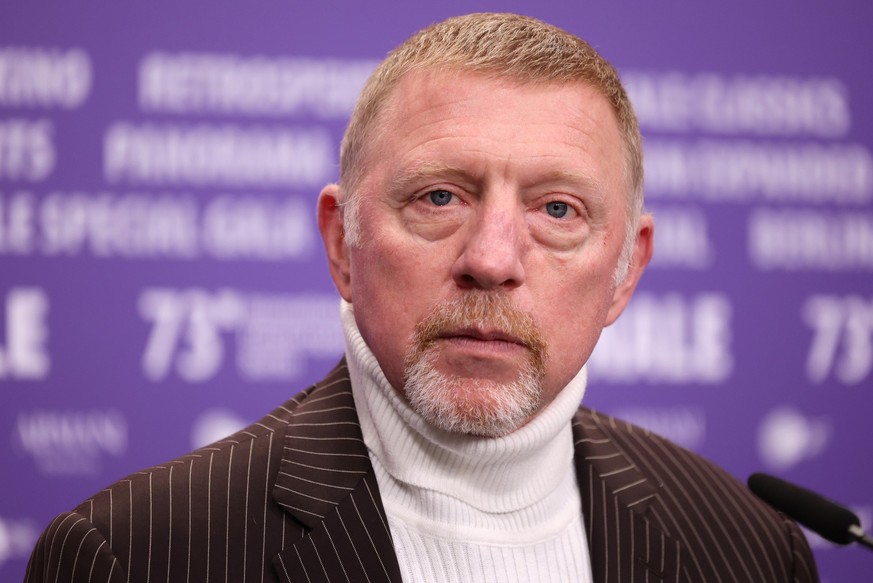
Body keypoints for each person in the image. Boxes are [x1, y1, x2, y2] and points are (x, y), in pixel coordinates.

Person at [25, 13, 818, 583]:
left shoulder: (750, 549)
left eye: (556, 210)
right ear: (342, 243)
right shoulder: (132, 554)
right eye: (440, 197)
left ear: (624, 272)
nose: (492, 259)